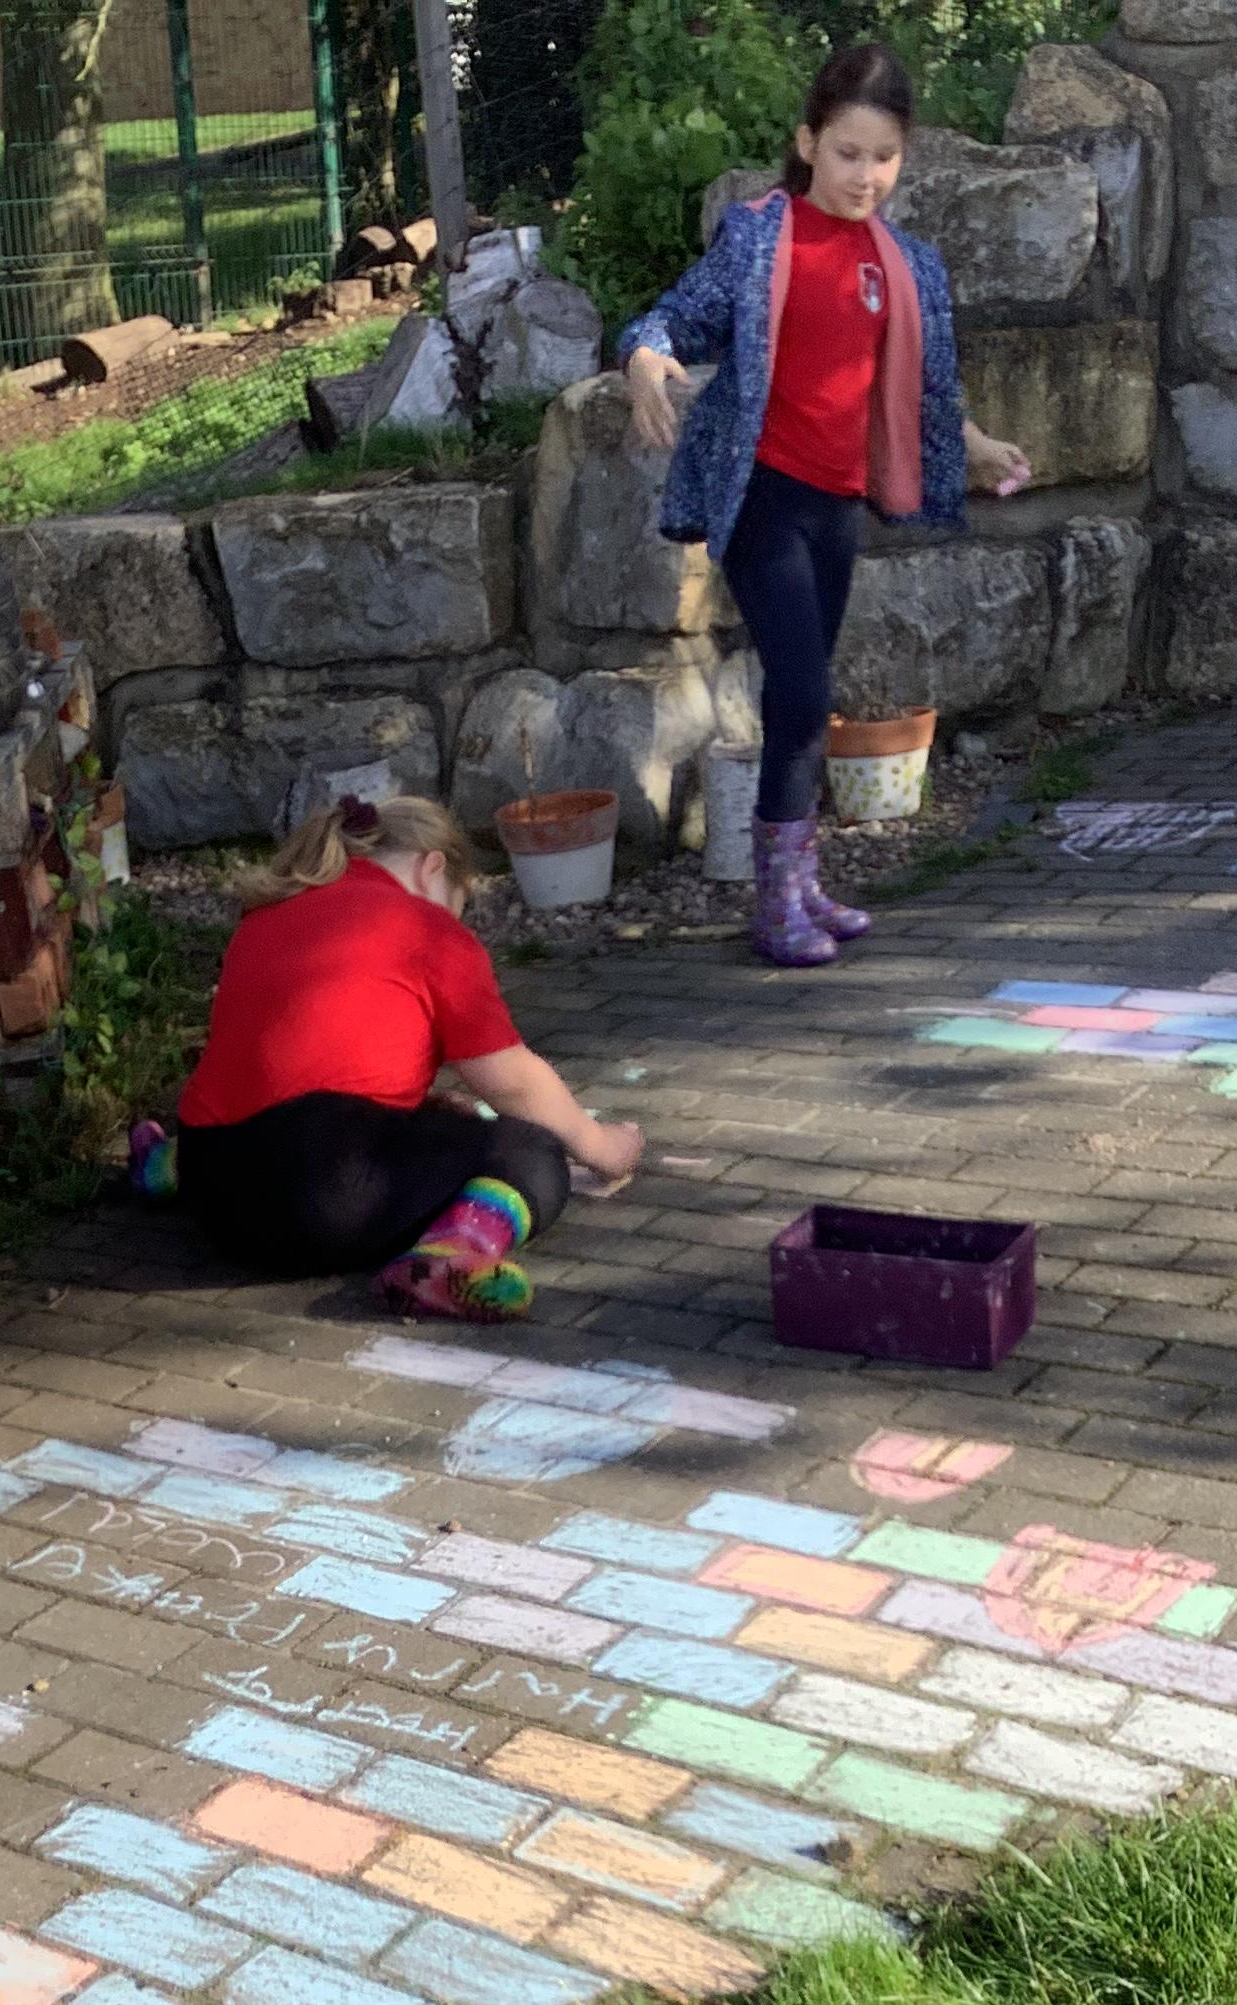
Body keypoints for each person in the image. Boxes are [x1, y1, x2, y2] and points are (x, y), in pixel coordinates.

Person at [619, 38, 1030, 967]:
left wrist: (977, 445)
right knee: (803, 693)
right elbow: (673, 317)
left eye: (884, 157)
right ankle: (775, 904)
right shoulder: (759, 237)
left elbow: (927, 391)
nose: (865, 175)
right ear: (808, 143)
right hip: (765, 496)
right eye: (847, 153)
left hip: (838, 505)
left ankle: (800, 882)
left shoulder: (907, 264)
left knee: (807, 697)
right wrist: (645, 354)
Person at [134, 793, 641, 1322]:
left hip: (214, 1193)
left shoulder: (263, 917)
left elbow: (290, 1065)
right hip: (320, 1201)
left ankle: (159, 1163)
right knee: (531, 1150)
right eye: (457, 903)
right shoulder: (425, 926)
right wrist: (602, 1146)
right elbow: (511, 1081)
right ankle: (446, 1257)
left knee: (257, 1111)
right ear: (432, 868)